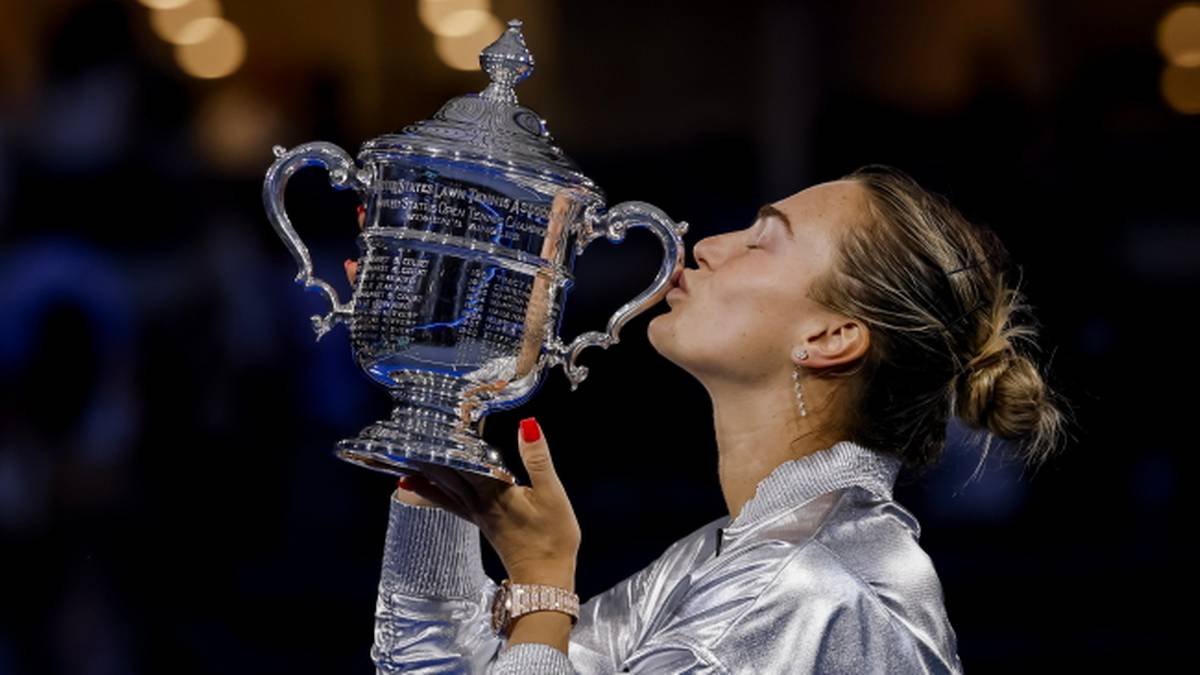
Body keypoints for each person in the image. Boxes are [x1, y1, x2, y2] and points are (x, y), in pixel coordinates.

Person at [347, 164, 1071, 673]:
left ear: (829, 338)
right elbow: (441, 665)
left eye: (762, 240)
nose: (708, 246)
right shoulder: (731, 556)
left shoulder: (806, 586)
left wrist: (542, 579)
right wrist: (441, 399)